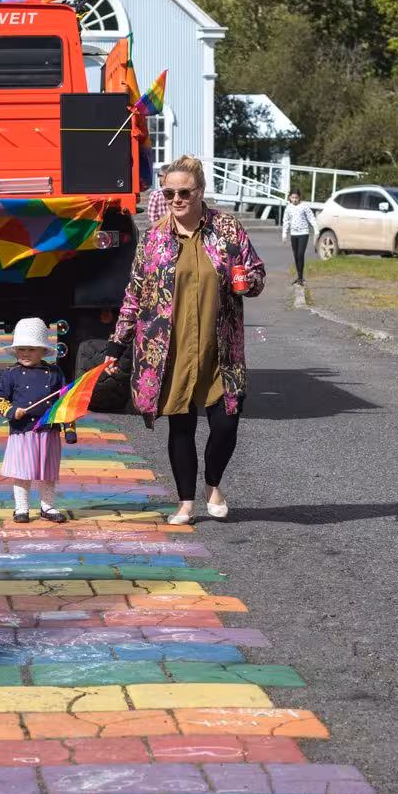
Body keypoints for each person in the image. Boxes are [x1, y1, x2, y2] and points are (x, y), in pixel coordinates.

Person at [105, 155, 265, 524]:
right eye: (169, 192)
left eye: (184, 192)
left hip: (219, 348)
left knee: (226, 423)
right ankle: (186, 503)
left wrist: (250, 283)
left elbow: (255, 272)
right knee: (181, 426)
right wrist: (117, 343)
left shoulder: (226, 229)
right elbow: (135, 293)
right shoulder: (154, 238)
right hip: (169, 350)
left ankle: (213, 484)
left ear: (200, 191)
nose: (177, 199)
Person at [0, 317, 68, 524]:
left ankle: (48, 506)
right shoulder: (11, 374)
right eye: (21, 349)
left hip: (48, 430)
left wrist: (69, 429)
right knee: (22, 472)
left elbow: (65, 402)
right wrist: (11, 411)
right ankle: (21, 507)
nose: (25, 354)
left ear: (44, 351)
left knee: (47, 471)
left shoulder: (55, 372)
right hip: (22, 431)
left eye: (31, 349)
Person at [280, 189, 318, 285]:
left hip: (303, 233)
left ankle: (301, 278)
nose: (294, 199)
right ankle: (299, 276)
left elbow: (311, 217)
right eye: (292, 197)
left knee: (300, 254)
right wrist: (284, 233)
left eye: (296, 197)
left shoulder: (304, 207)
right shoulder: (288, 208)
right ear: (289, 198)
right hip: (294, 234)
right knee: (296, 255)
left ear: (299, 197)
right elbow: (286, 221)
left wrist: (316, 229)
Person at [146, 166, 170, 232]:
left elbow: (152, 220)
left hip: (162, 232)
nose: (158, 178)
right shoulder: (180, 193)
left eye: (159, 175)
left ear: (164, 177)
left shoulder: (155, 195)